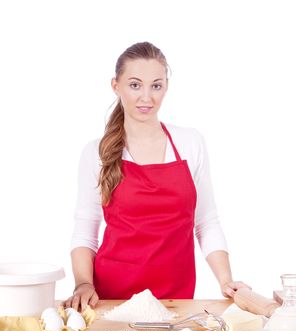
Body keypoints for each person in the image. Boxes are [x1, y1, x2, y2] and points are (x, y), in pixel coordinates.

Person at [64, 42, 249, 311]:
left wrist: (226, 280)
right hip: (112, 299)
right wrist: (83, 284)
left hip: (177, 299)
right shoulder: (97, 152)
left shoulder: (190, 143)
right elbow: (85, 229)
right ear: (116, 86)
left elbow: (206, 221)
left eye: (156, 85)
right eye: (135, 85)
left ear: (166, 87)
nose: (146, 98)